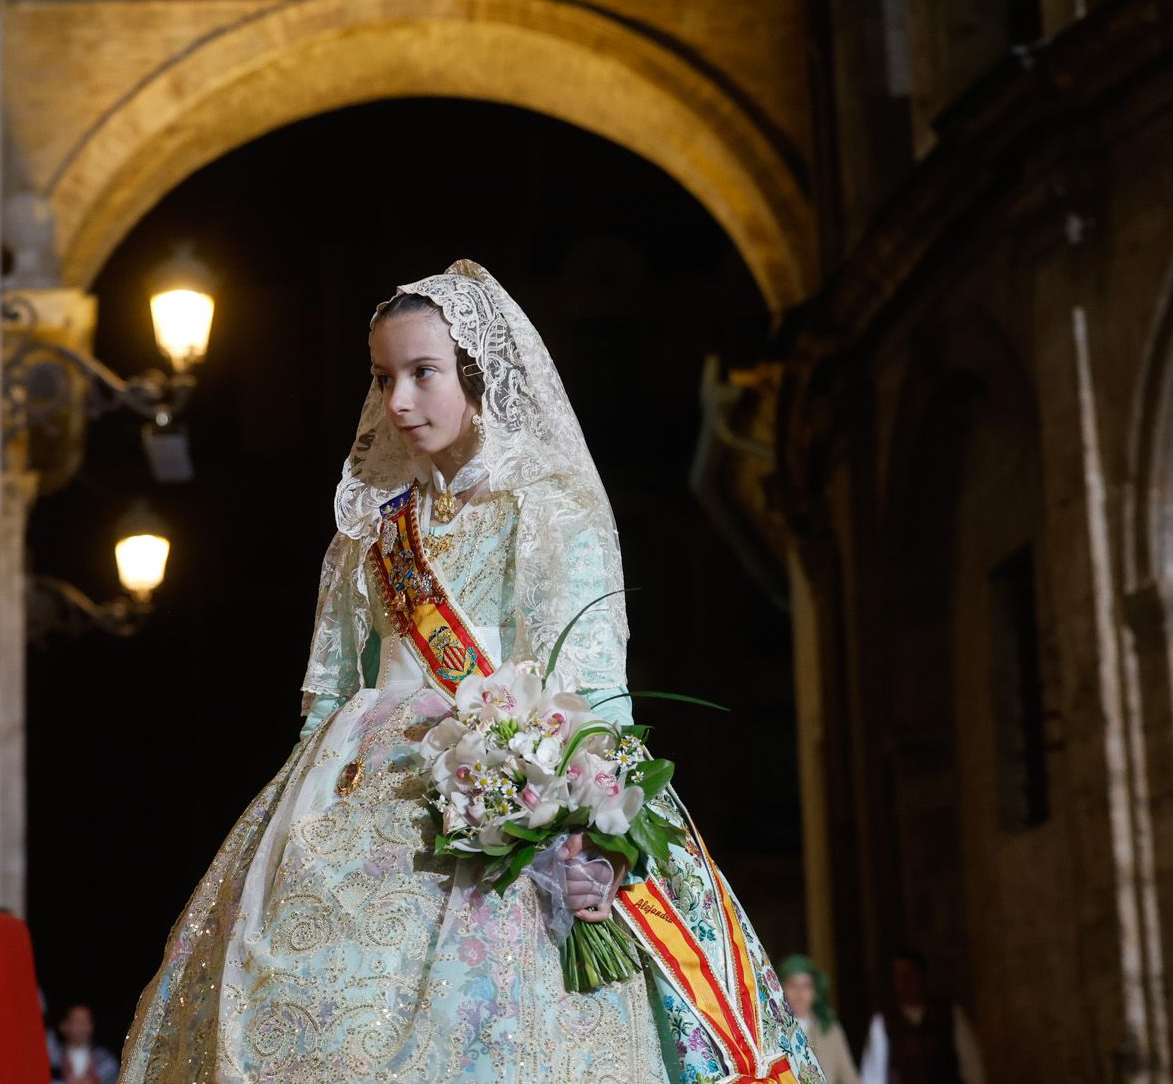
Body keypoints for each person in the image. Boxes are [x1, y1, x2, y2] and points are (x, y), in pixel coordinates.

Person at [121, 262, 823, 1082]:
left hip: (510, 797)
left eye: (423, 373)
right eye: (385, 378)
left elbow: (592, 685)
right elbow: (329, 694)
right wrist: (289, 829)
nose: (399, 402)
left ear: (476, 374)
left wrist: (591, 833)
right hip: (354, 801)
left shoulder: (548, 505)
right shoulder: (369, 532)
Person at [858, 949, 986, 1084]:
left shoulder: (949, 1014)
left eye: (910, 974)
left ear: (923, 976)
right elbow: (872, 1075)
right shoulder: (882, 1022)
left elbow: (972, 1065)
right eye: (899, 975)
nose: (904, 981)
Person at [780, 955, 862, 1084]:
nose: (799, 992)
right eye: (793, 985)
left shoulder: (829, 1030)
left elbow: (849, 1078)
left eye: (806, 986)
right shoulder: (772, 1031)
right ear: (780, 988)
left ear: (815, 990)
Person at [52, 1003, 120, 1084]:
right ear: (63, 1026)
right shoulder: (53, 1058)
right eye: (77, 1022)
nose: (82, 1027)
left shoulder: (105, 1058)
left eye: (86, 1022)